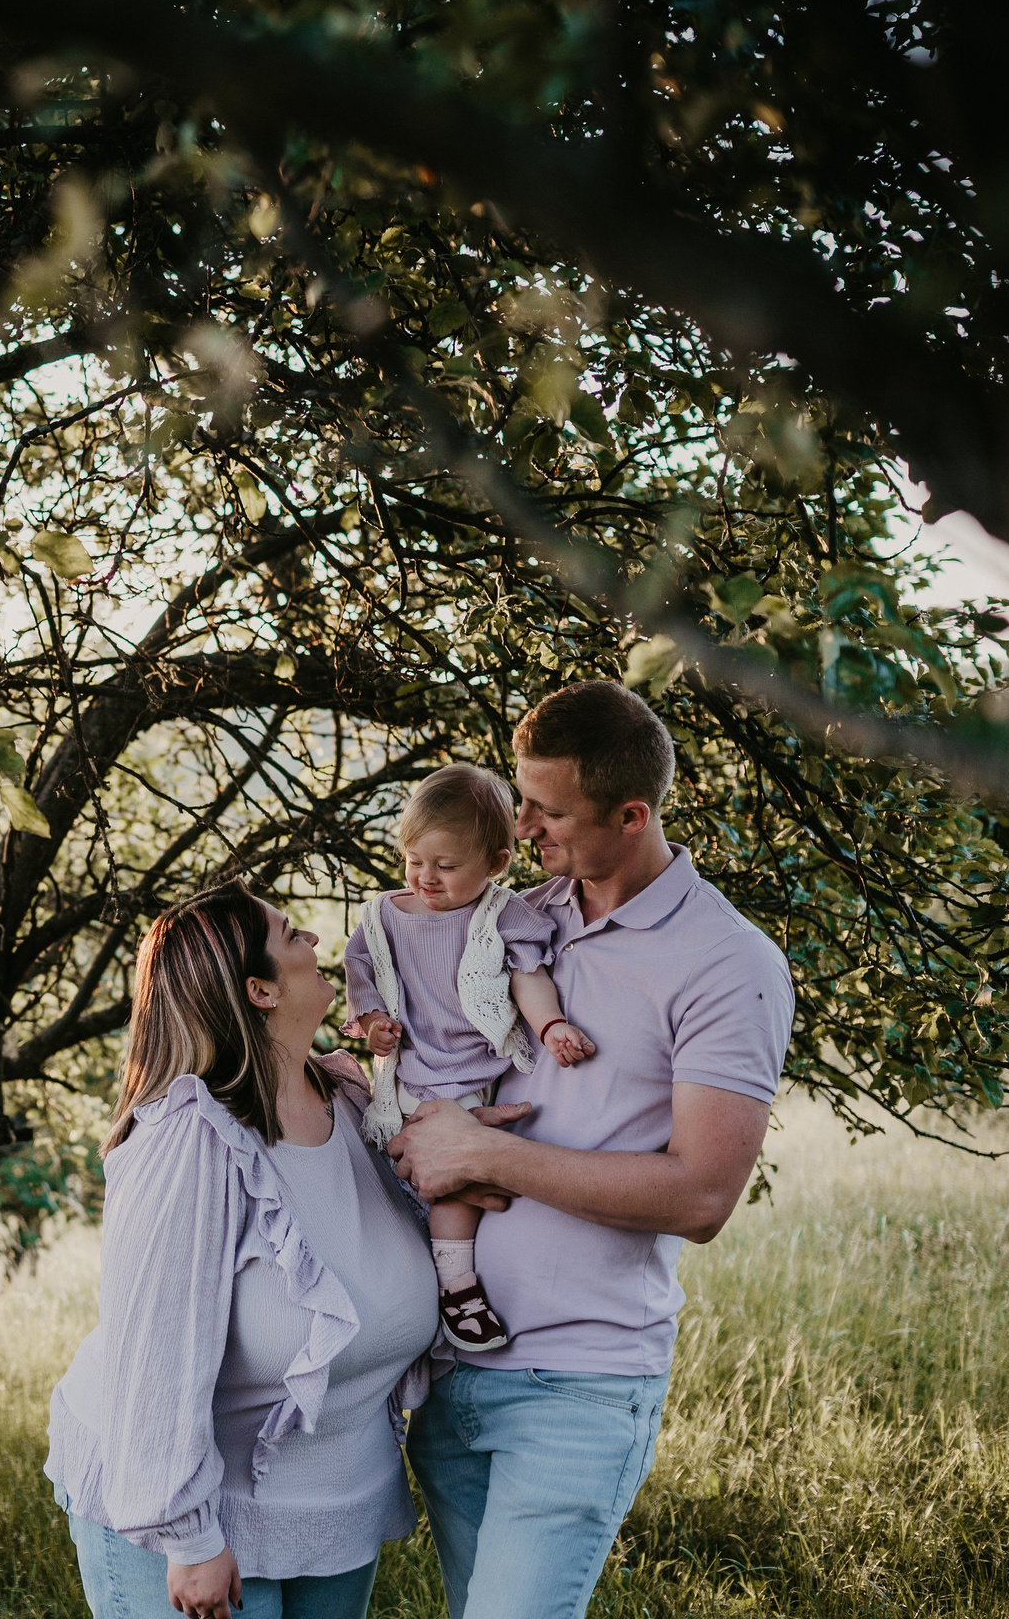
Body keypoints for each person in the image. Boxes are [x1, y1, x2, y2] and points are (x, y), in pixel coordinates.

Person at [387, 680, 795, 1619]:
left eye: (549, 810)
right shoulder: (510, 917)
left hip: (579, 1382)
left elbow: (701, 1197)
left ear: (632, 814)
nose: (522, 826)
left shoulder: (727, 962)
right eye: (522, 799)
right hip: (449, 1373)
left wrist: (483, 1158)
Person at [45, 883, 506, 1619]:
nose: (316, 945)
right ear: (260, 990)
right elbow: (154, 1350)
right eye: (292, 937)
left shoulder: (352, 1099)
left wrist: (485, 1147)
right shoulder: (194, 1136)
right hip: (189, 1514)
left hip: (337, 1510)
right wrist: (189, 1537)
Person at [342, 763, 594, 1353]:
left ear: (496, 864)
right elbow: (364, 976)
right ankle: (399, 1302)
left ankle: (457, 1290)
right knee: (387, 1180)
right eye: (415, 860)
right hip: (401, 1074)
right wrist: (375, 1024)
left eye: (447, 866)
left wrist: (550, 1025)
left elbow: (526, 979)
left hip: (464, 1076)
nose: (426, 878)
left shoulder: (499, 915)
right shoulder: (383, 916)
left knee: (451, 1184)